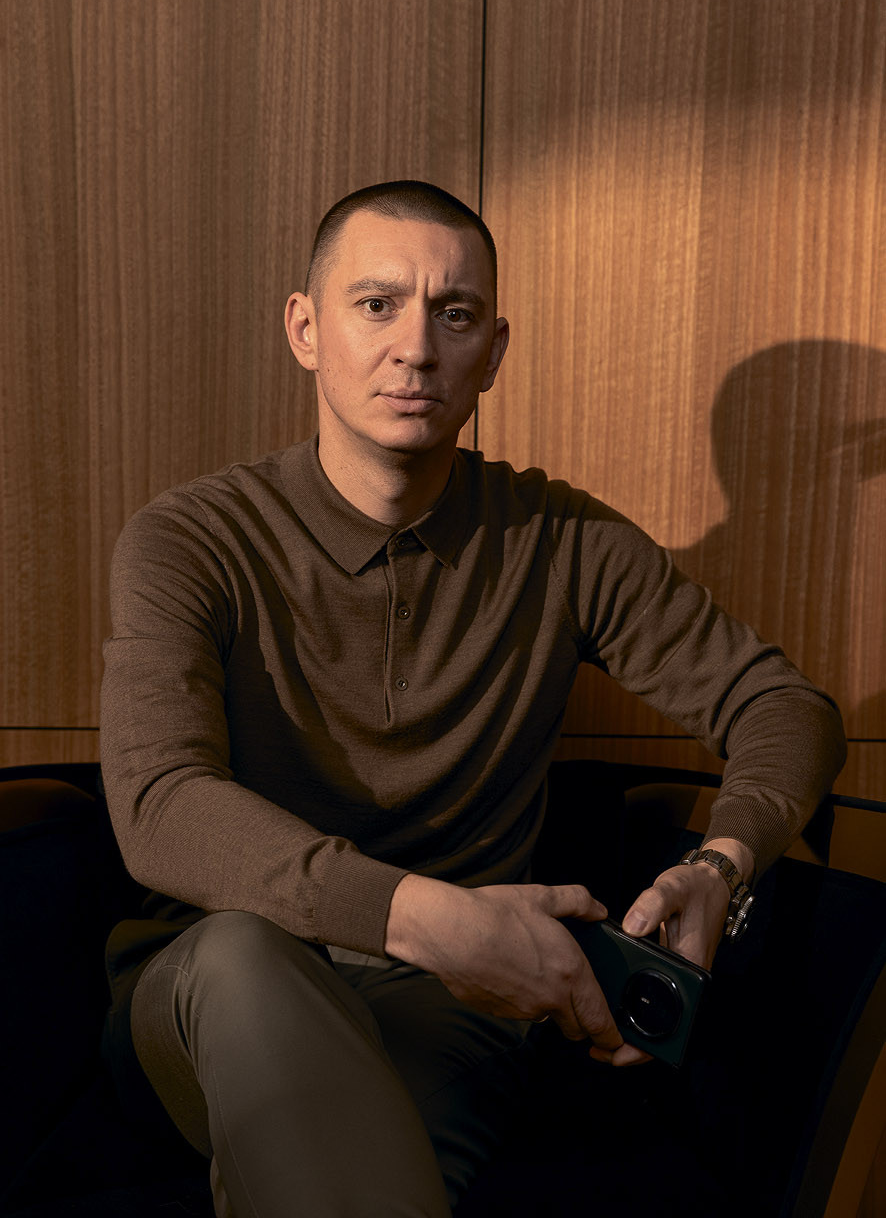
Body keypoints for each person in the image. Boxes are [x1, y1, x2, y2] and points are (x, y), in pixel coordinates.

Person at [100, 180, 846, 1218]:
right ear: (305, 329)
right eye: (376, 305)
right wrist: (429, 917)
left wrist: (724, 863)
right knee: (242, 957)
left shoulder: (560, 539)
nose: (415, 348)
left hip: (452, 1004)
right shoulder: (192, 538)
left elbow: (786, 707)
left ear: (492, 351)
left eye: (452, 315)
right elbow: (161, 804)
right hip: (203, 985)